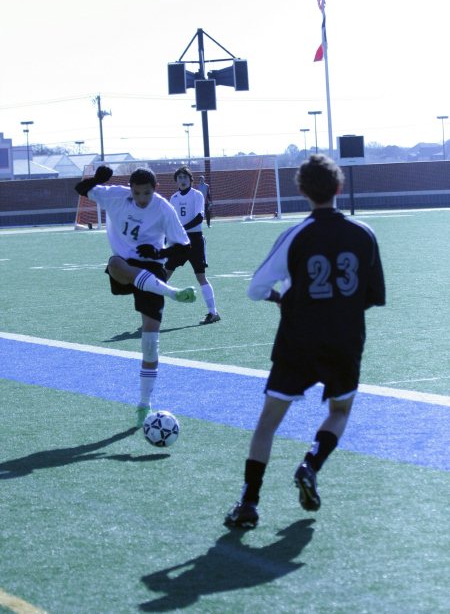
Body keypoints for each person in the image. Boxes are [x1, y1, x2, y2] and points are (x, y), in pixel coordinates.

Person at [224, 154, 386, 528]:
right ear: (339, 188)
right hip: (345, 341)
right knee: (340, 411)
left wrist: (282, 298)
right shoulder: (364, 234)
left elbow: (255, 289)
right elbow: (374, 295)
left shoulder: (296, 234)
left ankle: (249, 503)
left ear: (301, 191)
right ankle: (311, 464)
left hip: (297, 342)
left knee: (268, 424)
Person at [75, 165, 196, 427]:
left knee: (150, 342)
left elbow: (184, 248)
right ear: (130, 189)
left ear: (156, 190)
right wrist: (97, 179)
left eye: (147, 194)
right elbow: (80, 190)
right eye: (138, 193)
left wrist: (159, 255)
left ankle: (144, 404)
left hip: (151, 269)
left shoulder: (163, 208)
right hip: (124, 265)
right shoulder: (116, 195)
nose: (142, 199)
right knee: (115, 263)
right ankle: (172, 293)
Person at [166, 166, 220, 325]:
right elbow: (170, 220)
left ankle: (213, 312)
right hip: (178, 241)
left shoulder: (197, 195)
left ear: (190, 180)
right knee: (164, 275)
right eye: (179, 178)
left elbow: (198, 218)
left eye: (185, 177)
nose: (182, 180)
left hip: (195, 240)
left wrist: (180, 229)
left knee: (201, 277)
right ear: (176, 181)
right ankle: (153, 311)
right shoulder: (173, 198)